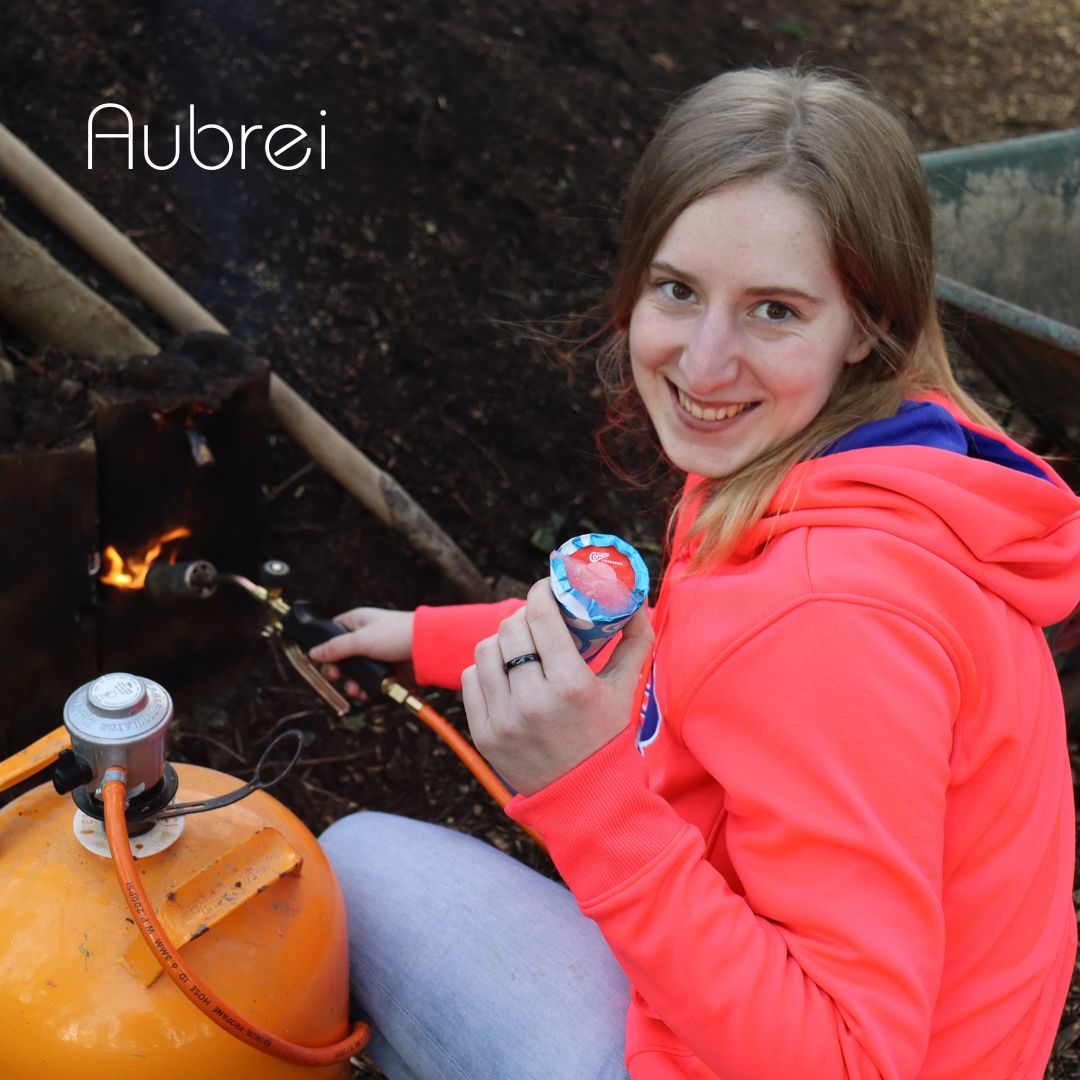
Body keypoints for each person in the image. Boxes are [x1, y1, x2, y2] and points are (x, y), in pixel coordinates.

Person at [315, 67, 1080, 1080]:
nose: (704, 364)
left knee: (352, 865)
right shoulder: (885, 471)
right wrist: (429, 638)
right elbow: (684, 639)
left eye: (773, 310)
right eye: (679, 291)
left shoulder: (825, 618)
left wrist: (589, 797)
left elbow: (851, 1064)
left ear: (865, 323)